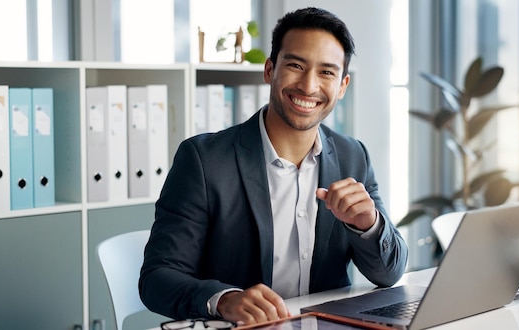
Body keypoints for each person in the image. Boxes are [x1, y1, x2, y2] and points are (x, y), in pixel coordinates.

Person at [139, 6, 408, 326]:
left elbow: (389, 272)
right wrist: (225, 300)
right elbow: (157, 278)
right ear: (270, 70)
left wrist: (369, 225)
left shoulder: (353, 156)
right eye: (295, 65)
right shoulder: (204, 160)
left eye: (326, 72)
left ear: (342, 86)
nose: (309, 86)